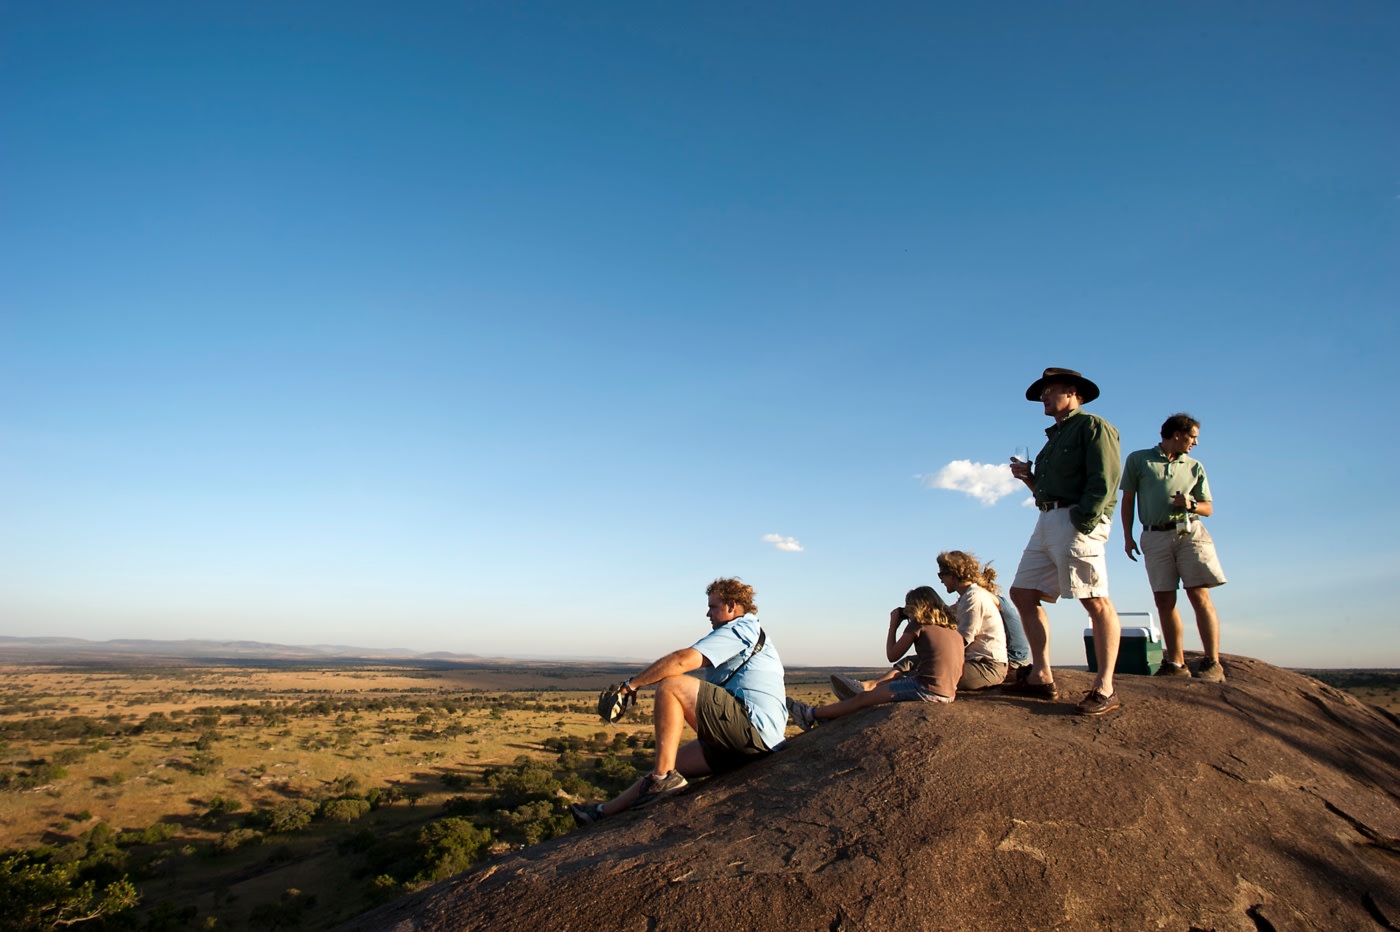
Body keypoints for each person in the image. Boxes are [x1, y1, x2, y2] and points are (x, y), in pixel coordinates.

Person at [570, 577, 787, 825]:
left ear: (731, 606)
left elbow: (682, 660)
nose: (708, 613)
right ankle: (600, 813)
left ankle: (663, 780)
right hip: (753, 740)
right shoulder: (745, 632)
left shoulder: (740, 629)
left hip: (752, 729)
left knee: (672, 685)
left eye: (713, 606)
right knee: (668, 762)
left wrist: (631, 685)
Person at [1007, 367, 1125, 716]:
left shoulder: (1093, 427)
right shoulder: (1053, 437)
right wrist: (1029, 479)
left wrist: (1084, 521)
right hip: (1047, 519)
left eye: (1050, 390)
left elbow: (1105, 479)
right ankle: (1041, 675)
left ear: (1072, 392)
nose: (1043, 396)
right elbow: (1045, 491)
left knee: (1094, 600)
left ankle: (1105, 687)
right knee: (1023, 593)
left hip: (1076, 520)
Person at [1120, 413, 1228, 682]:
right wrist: (1127, 536)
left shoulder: (1195, 467)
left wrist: (1190, 504)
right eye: (1193, 437)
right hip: (1154, 536)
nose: (1196, 443)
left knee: (1199, 595)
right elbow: (1128, 499)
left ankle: (1212, 663)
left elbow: (1208, 508)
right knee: (1164, 600)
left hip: (1190, 534)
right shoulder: (1138, 460)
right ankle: (1176, 664)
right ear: (1177, 434)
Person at [787, 587, 962, 730]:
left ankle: (809, 714)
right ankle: (828, 716)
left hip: (927, 689)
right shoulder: (953, 631)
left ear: (916, 607)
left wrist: (893, 625)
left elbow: (892, 655)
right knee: (885, 687)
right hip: (948, 692)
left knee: (863, 698)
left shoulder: (919, 625)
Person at [937, 550, 1009, 690]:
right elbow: (945, 613)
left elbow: (963, 639)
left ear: (952, 574)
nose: (941, 580)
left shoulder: (974, 598)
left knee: (929, 675)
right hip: (978, 663)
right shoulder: (967, 597)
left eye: (941, 574)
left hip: (987, 666)